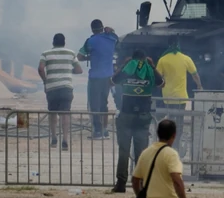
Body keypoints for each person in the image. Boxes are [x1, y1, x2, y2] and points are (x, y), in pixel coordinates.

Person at [111, 49, 164, 194]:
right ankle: (140, 184)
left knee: (124, 151)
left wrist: (124, 65)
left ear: (132, 59)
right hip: (143, 116)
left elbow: (113, 81)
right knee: (141, 152)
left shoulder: (128, 69)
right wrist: (152, 66)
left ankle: (121, 184)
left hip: (126, 115)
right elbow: (161, 83)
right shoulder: (149, 70)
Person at [38, 33, 82, 149]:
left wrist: (45, 81)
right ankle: (65, 140)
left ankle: (53, 139)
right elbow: (79, 70)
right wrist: (68, 71)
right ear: (64, 42)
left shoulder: (46, 54)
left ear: (53, 42)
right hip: (66, 88)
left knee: (52, 113)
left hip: (52, 88)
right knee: (65, 114)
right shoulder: (71, 53)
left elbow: (41, 69)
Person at [78, 19, 119, 140]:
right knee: (104, 104)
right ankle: (105, 130)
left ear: (92, 29)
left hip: (95, 77)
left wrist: (89, 57)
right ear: (102, 28)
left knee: (94, 105)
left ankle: (97, 131)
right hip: (108, 76)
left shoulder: (90, 41)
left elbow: (79, 57)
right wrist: (111, 31)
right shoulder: (112, 38)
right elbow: (117, 42)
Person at [131, 119, 187, 198]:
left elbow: (135, 180)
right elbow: (177, 180)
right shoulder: (171, 154)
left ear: (158, 134)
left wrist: (140, 195)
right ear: (174, 135)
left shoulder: (145, 152)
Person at [155, 40, 203, 109]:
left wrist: (158, 87)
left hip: (168, 96)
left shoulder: (162, 59)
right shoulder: (186, 59)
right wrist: (199, 86)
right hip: (181, 96)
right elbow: (195, 75)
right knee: (180, 117)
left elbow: (158, 76)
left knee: (170, 117)